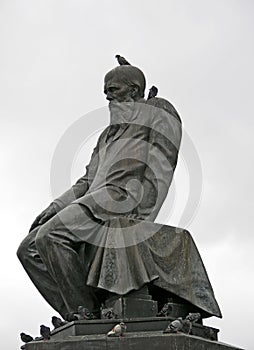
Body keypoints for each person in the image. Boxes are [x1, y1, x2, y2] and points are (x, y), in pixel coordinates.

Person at [17, 65, 221, 321]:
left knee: (51, 236)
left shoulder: (157, 110)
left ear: (133, 90)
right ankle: (78, 314)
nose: (107, 97)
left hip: (122, 198)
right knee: (28, 249)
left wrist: (144, 211)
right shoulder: (107, 135)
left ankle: (87, 314)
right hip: (95, 199)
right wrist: (56, 206)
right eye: (105, 92)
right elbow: (87, 180)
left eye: (113, 90)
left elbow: (163, 162)